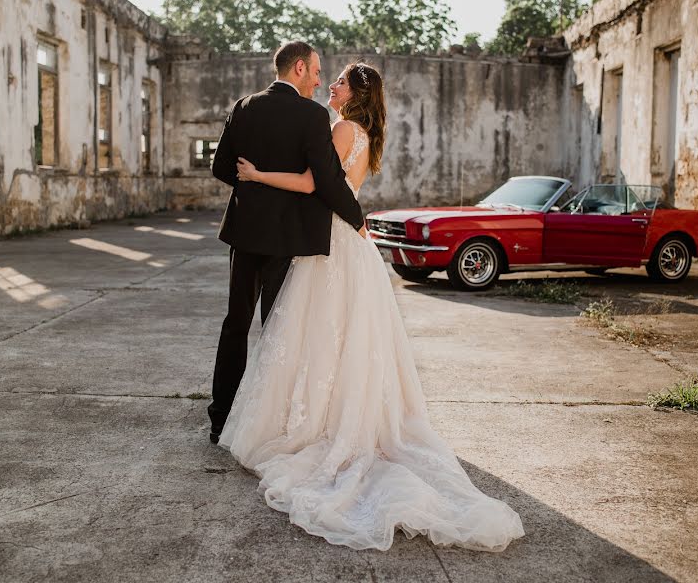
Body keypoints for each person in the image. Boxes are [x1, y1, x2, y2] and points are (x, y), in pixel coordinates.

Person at [220, 60, 525, 552]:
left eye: (337, 81)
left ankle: (321, 427)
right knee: (345, 341)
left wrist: (255, 173)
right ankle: (337, 418)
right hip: (352, 244)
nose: (330, 85)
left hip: (337, 242)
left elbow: (312, 184)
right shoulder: (362, 131)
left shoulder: (341, 128)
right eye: (328, 77)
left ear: (353, 94)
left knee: (319, 337)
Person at [207, 41, 365, 445]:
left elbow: (221, 166)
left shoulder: (244, 106)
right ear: (298, 67)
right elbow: (326, 181)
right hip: (287, 237)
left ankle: (221, 419)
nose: (318, 80)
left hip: (243, 232)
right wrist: (357, 219)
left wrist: (254, 186)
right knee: (277, 330)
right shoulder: (312, 116)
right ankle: (266, 421)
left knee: (235, 324)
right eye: (315, 71)